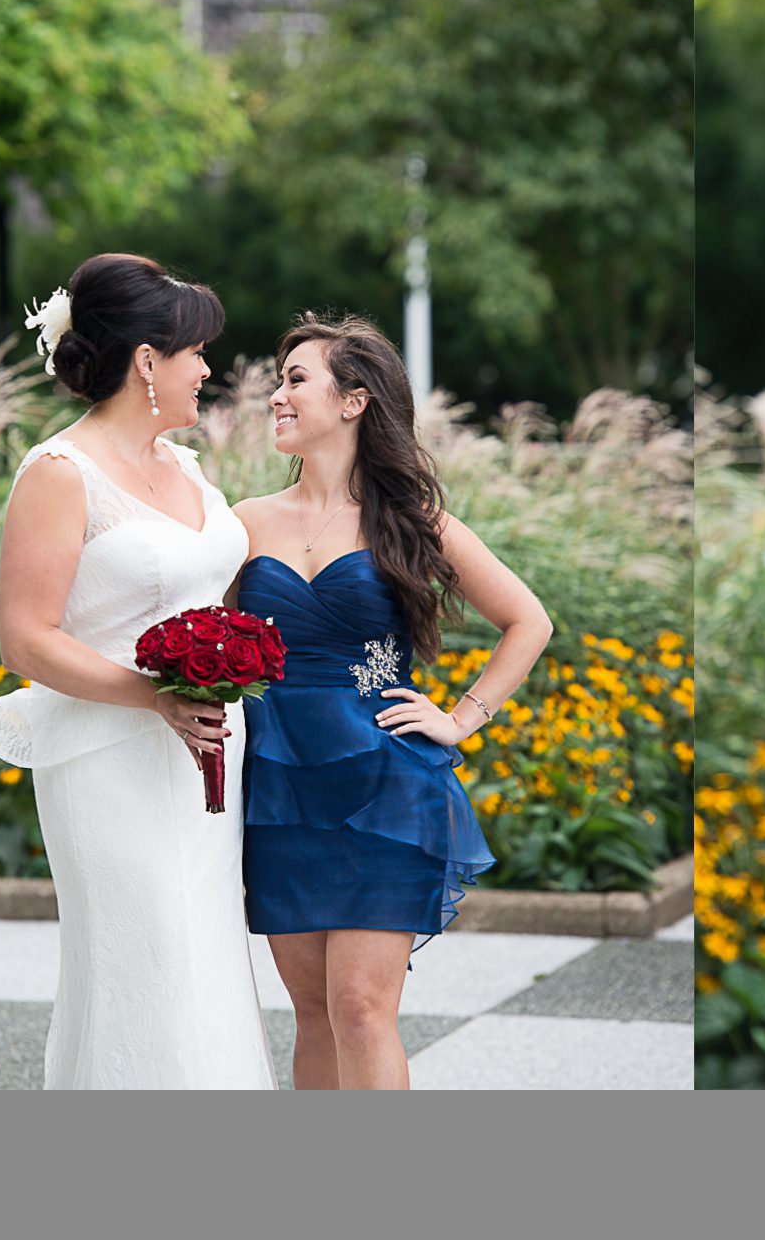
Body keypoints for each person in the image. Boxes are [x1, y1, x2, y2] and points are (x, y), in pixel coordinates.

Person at [230, 313, 549, 1090]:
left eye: (295, 380)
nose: (277, 395)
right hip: (277, 786)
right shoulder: (242, 523)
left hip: (385, 782)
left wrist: (461, 716)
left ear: (354, 401)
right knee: (311, 1011)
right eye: (279, 381)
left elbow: (528, 621)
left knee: (362, 1007)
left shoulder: (413, 521)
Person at [0, 252, 275, 1089]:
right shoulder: (58, 474)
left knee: (205, 961)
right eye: (195, 352)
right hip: (107, 756)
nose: (208, 370)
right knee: (143, 962)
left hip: (205, 753)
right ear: (147, 360)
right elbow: (26, 638)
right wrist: (155, 697)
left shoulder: (184, 468)